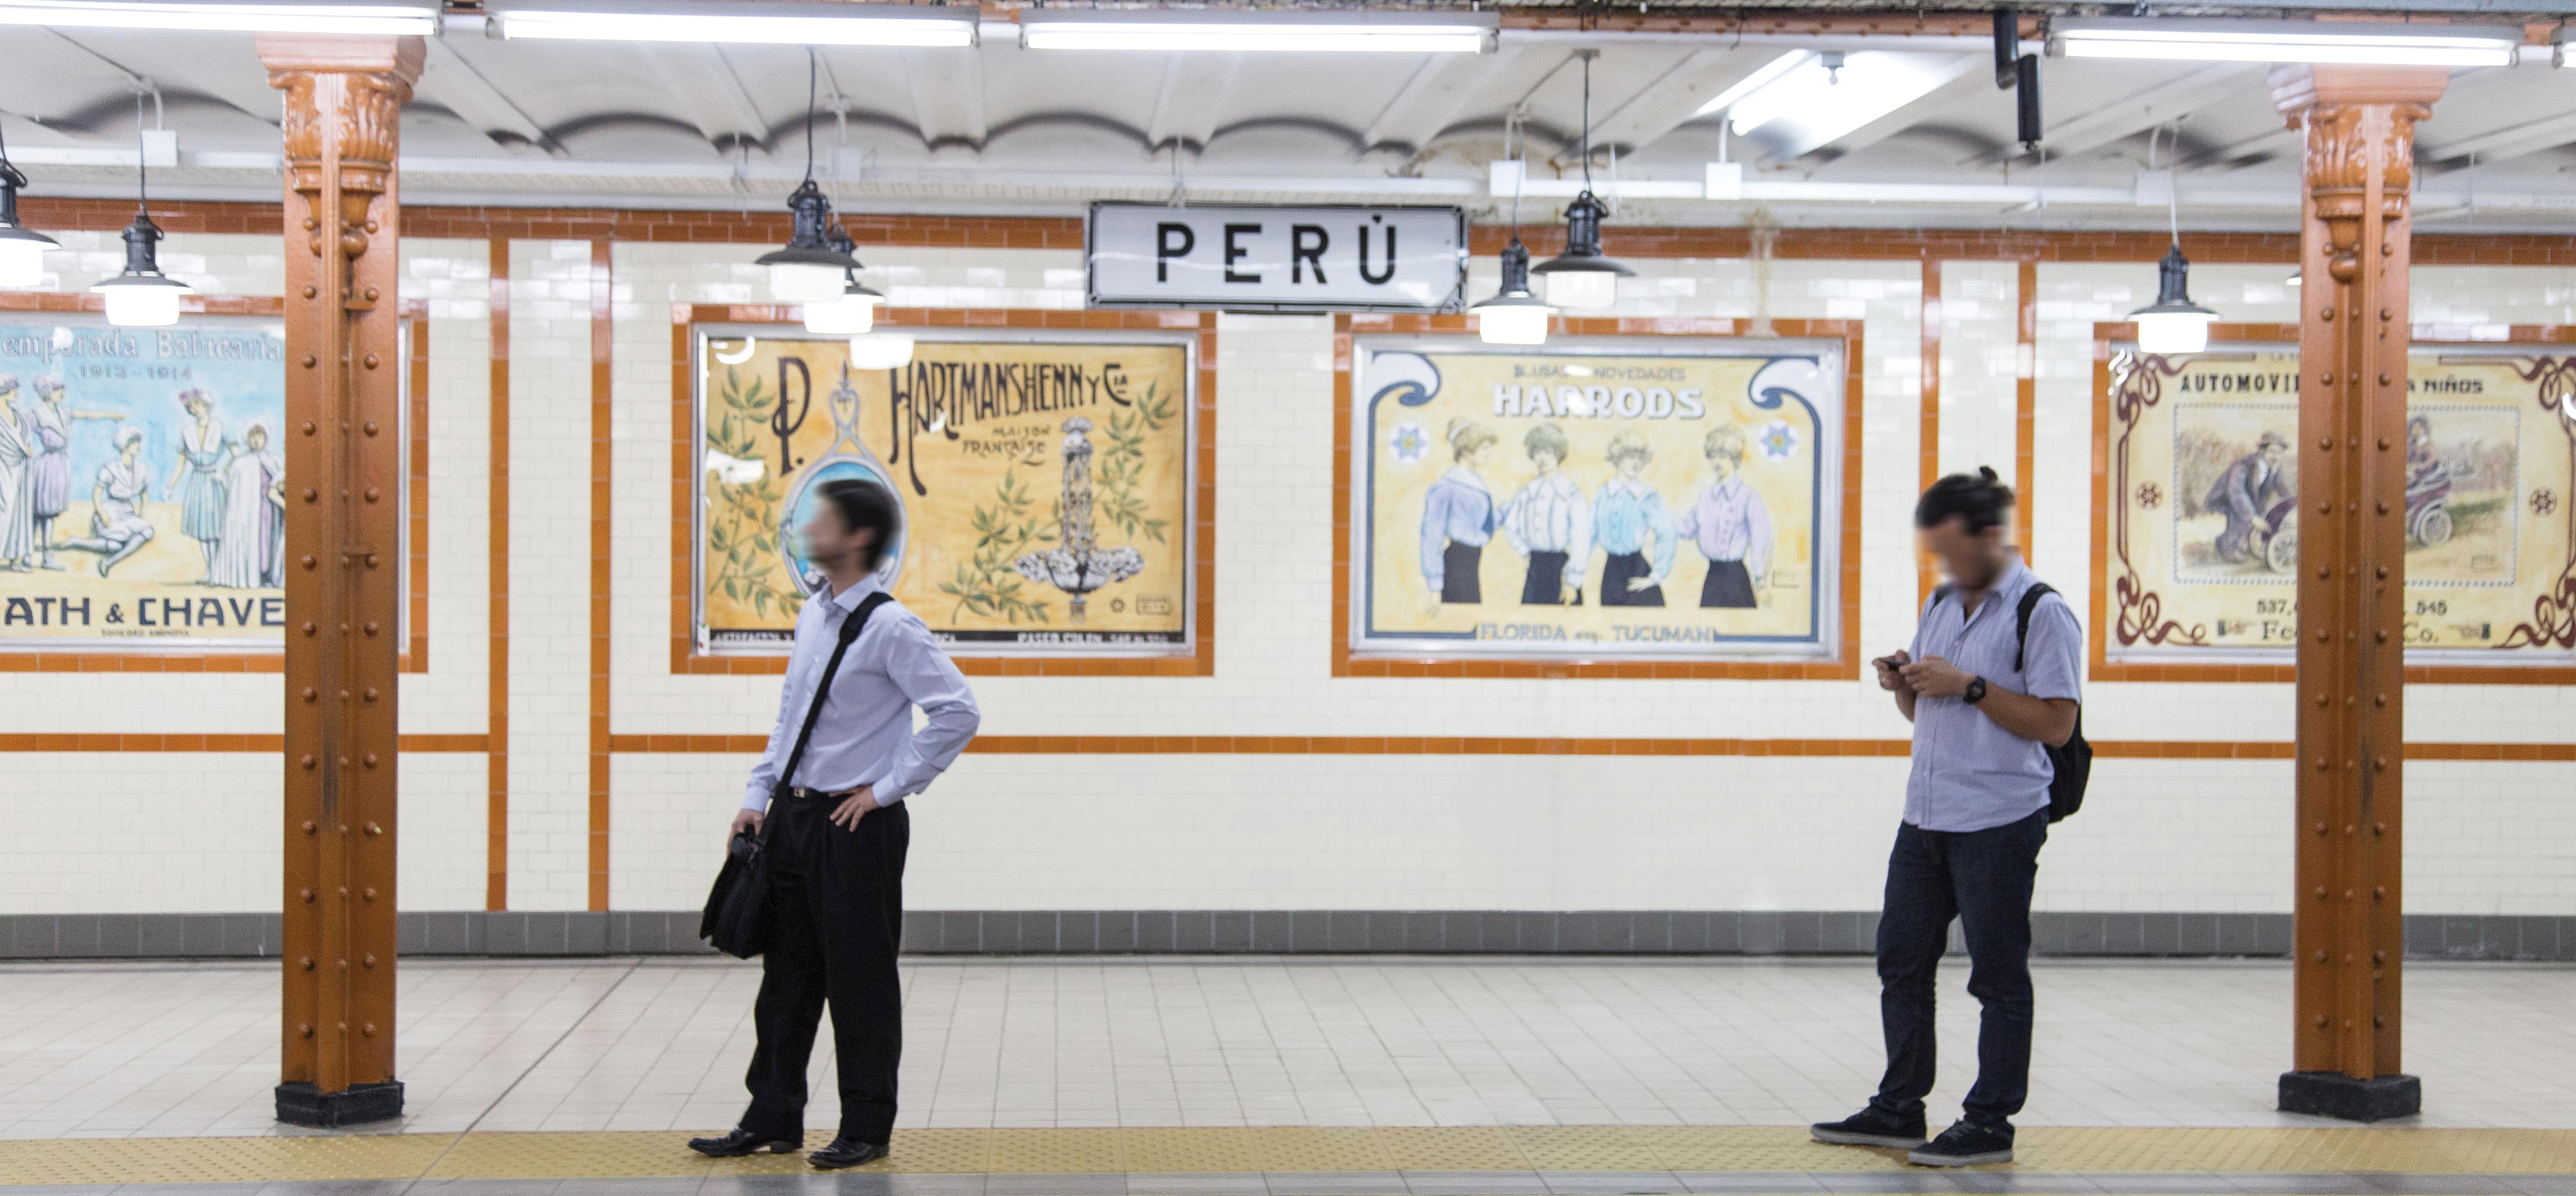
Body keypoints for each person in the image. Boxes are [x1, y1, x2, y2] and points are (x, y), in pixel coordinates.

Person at [689, 478, 981, 1171]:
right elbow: (792, 715)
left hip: (856, 829)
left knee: (860, 981)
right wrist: (758, 792)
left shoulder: (891, 626)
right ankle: (772, 1116)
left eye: (820, 520)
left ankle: (866, 1126)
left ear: (858, 537)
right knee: (785, 982)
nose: (806, 528)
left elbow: (959, 711)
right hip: (793, 817)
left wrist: (885, 788)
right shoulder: (812, 615)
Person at [1812, 467, 2080, 1168]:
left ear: (1990, 535)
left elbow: (2056, 722)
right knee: (1901, 959)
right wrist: (1905, 684)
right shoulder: (1940, 601)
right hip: (1926, 816)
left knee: (1997, 973)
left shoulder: (2041, 610)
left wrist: (1970, 685)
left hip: (1998, 819)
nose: (1944, 566)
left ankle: (1990, 1120)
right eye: (1935, 552)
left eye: (1953, 550)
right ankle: (1899, 1106)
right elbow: (1925, 714)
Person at [26, 374, 121, 571]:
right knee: (40, 513)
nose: (62, 393)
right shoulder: (36, 415)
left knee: (49, 513)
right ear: (46, 392)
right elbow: (21, 436)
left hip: (59, 465)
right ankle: (31, 555)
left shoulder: (63, 412)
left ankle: (42, 556)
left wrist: (112, 416)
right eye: (57, 389)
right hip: (44, 466)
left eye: (62, 389)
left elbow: (86, 415)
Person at [1677, 425, 1772, 609]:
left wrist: (1760, 578)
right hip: (1713, 577)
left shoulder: (1748, 497)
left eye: (1723, 456)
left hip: (1737, 578)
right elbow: (1688, 528)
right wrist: (1661, 515)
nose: (1717, 462)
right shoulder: (1706, 497)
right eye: (1713, 456)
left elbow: (1761, 538)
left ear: (1734, 459)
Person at [1498, 423, 1587, 605]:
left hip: (1561, 569)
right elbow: (1511, 527)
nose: (1543, 458)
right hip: (1535, 567)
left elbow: (1581, 538)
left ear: (1558, 453)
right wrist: (1525, 552)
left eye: (1548, 452)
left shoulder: (1571, 494)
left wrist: (1573, 582)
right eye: (1538, 452)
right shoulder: (1526, 493)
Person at [1419, 418, 1500, 606]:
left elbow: (1482, 526)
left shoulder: (1478, 484)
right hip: (1456, 566)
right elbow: (1432, 536)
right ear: (1466, 450)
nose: (1488, 453)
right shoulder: (1446, 487)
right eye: (1484, 448)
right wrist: (1435, 586)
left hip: (1472, 566)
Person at [1591, 430, 1676, 606]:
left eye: (1640, 458)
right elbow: (1589, 533)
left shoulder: (1647, 496)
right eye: (1631, 457)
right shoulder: (1604, 494)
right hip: (1611, 574)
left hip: (1637, 570)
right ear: (1618, 458)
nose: (1636, 463)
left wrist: (1656, 576)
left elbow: (1667, 531)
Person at [58, 427, 155, 576]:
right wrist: (103, 515)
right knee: (115, 545)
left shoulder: (142, 470)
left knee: (148, 532)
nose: (138, 446)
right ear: (125, 446)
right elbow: (96, 494)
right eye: (135, 443)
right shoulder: (111, 469)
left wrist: (142, 514)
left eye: (138, 442)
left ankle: (109, 562)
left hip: (128, 514)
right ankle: (76, 542)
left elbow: (144, 495)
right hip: (110, 513)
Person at [169, 388, 231, 583]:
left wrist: (223, 471)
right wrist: (171, 486)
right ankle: (209, 570)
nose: (195, 409)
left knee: (216, 530)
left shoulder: (220, 427)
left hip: (215, 481)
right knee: (203, 531)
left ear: (207, 406)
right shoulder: (187, 432)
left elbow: (235, 453)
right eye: (191, 406)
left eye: (198, 405)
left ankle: (219, 571)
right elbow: (181, 462)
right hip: (197, 482)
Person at [212, 421, 284, 588]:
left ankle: (268, 576)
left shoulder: (275, 461)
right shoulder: (240, 464)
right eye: (253, 437)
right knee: (252, 543)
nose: (256, 440)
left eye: (260, 436)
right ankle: (251, 576)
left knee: (267, 543)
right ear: (247, 440)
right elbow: (234, 493)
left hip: (270, 511)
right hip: (248, 513)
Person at [2204, 430, 2292, 564]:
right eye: (2273, 452)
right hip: (2226, 498)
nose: (2276, 457)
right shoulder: (2244, 465)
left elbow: (2283, 491)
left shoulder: (2275, 468)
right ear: (2262, 451)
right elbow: (2236, 492)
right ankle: (2227, 547)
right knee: (2241, 515)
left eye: (2280, 452)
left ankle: (2249, 543)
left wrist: (2293, 506)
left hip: (2248, 499)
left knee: (2262, 515)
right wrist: (2252, 517)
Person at [0, 376, 33, 571]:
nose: (16, 393)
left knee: (18, 513)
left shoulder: (17, 414)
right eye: (13, 389)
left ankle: (14, 558)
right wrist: (21, 448)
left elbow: (25, 438)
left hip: (19, 470)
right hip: (2, 470)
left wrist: (24, 449)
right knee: (4, 509)